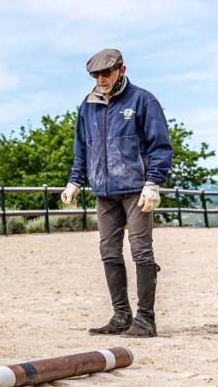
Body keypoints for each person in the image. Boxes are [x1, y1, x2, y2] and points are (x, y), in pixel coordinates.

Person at [60, 48, 172, 337]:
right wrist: (75, 180)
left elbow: (159, 145)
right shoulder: (87, 106)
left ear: (121, 69)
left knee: (140, 251)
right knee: (108, 251)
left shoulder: (143, 100)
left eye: (106, 73)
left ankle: (146, 320)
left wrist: (153, 182)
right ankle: (121, 316)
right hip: (104, 191)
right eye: (95, 74)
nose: (101, 78)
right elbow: (82, 149)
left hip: (136, 190)